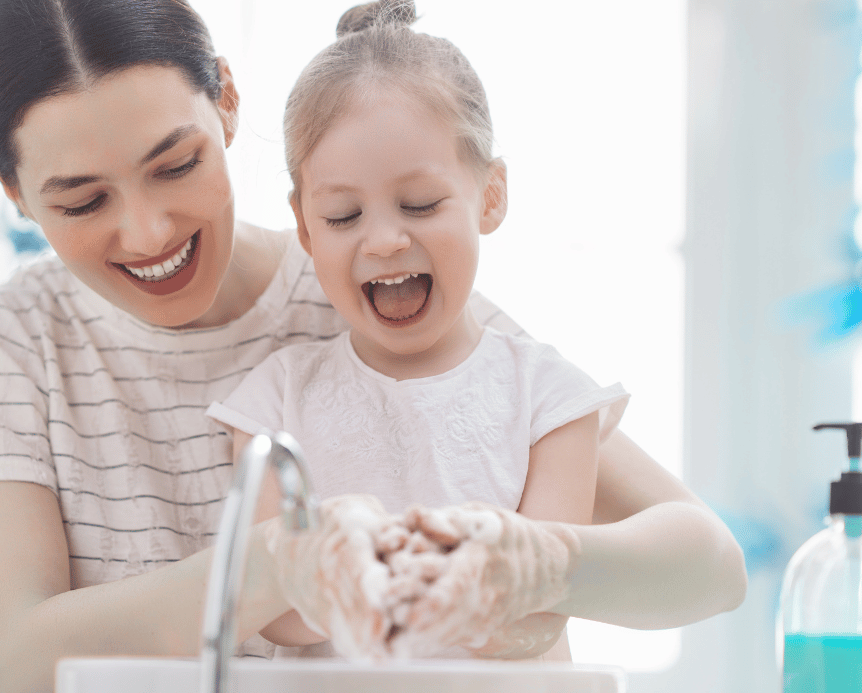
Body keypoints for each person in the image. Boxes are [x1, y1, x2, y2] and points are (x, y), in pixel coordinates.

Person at [0, 1, 747, 691]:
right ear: (13, 191)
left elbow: (705, 566)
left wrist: (544, 562)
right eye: (81, 201)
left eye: (175, 165)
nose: (147, 231)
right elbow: (18, 661)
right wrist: (277, 569)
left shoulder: (366, 288)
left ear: (225, 99)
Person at [206, 0, 628, 660]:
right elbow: (271, 617)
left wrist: (445, 577)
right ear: (306, 227)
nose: (384, 239)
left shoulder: (551, 400)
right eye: (343, 215)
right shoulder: (272, 402)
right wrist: (330, 568)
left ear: (489, 196)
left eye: (421, 204)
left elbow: (540, 617)